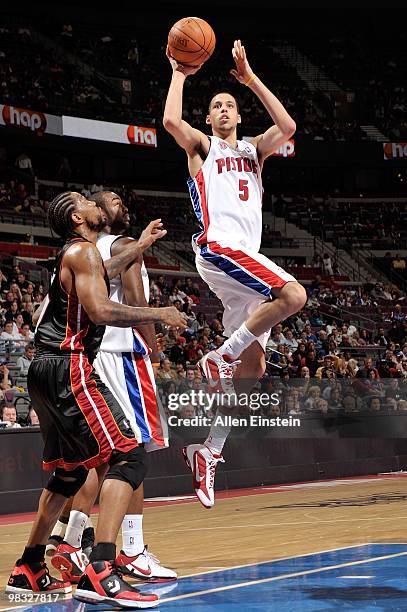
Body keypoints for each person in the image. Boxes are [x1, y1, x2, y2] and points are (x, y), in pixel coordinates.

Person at [6, 191, 185, 607]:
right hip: (71, 367)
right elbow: (102, 310)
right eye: (84, 201)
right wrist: (160, 314)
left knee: (68, 474)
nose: (93, 203)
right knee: (129, 456)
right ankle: (101, 569)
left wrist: (138, 247)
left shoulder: (76, 254)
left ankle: (29, 566)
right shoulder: (83, 251)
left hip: (44, 370)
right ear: (76, 217)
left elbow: (103, 271)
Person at [164, 40, 306, 508]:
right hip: (219, 246)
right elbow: (169, 122)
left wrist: (251, 80)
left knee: (253, 372)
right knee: (293, 294)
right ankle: (219, 356)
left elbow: (286, 126)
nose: (223, 109)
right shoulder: (202, 147)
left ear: (238, 116)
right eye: (216, 107)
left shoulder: (254, 150)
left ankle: (208, 451)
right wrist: (181, 73)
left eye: (229, 105)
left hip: (243, 265)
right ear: (208, 120)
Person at [47, 191, 176, 584]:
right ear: (96, 213)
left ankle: (67, 540)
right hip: (120, 357)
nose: (121, 205)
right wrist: (153, 347)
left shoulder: (80, 250)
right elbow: (135, 300)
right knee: (133, 453)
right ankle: (132, 551)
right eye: (112, 201)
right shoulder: (120, 245)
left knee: (96, 459)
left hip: (81, 358)